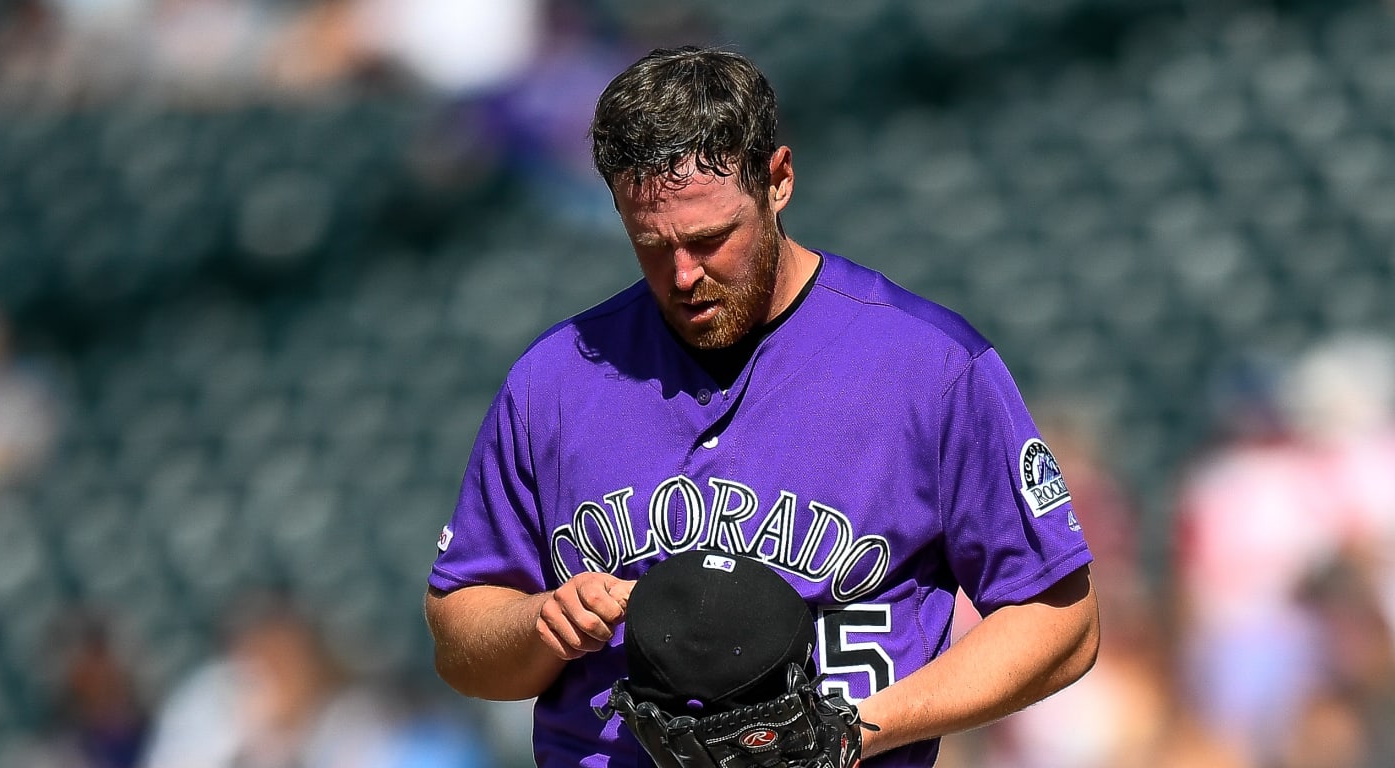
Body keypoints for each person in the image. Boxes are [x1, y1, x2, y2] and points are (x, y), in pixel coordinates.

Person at [424, 45, 1099, 767]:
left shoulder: (928, 367)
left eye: (711, 238)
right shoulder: (553, 381)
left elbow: (1060, 620)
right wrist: (536, 623)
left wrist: (858, 731)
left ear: (777, 181)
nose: (684, 274)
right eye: (651, 244)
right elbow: (462, 642)